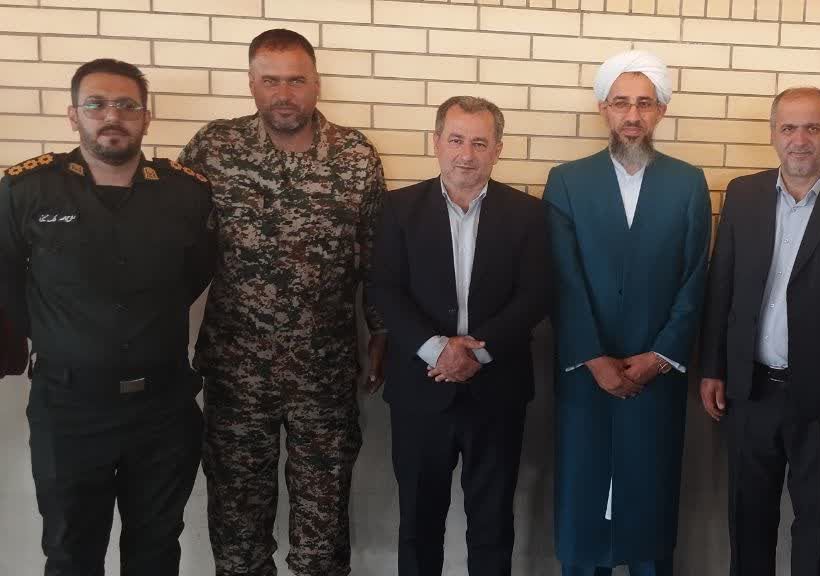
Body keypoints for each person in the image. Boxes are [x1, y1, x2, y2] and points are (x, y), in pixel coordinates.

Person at [177, 29, 387, 576]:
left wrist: (381, 332)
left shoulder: (355, 155)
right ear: (251, 84)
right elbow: (173, 243)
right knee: (238, 521)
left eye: (296, 80)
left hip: (324, 370)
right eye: (270, 81)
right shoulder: (214, 148)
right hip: (236, 369)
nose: (284, 93)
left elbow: (376, 255)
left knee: (323, 526)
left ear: (316, 84)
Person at [0, 58, 214, 575]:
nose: (111, 116)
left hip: (163, 408)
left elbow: (196, 272)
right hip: (69, 407)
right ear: (73, 115)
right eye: (95, 104)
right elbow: (5, 279)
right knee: (71, 552)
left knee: (156, 550)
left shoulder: (186, 192)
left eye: (126, 105)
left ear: (147, 117)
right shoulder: (27, 189)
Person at [698, 86, 820, 576]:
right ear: (773, 134)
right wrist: (713, 367)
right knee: (748, 520)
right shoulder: (743, 194)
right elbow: (721, 285)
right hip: (750, 391)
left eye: (813, 128)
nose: (800, 140)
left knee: (818, 525)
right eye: (789, 128)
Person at [544, 50, 711, 576]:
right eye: (621, 103)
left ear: (661, 110)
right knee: (583, 506)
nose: (632, 115)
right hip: (585, 377)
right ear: (603, 109)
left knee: (649, 504)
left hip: (654, 377)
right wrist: (594, 359)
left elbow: (695, 277)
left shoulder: (688, 182)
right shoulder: (567, 181)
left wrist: (660, 356)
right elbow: (562, 279)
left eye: (644, 103)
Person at [373, 96, 550, 576]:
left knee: (492, 525)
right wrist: (438, 350)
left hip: (497, 391)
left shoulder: (529, 214)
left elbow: (536, 295)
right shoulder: (398, 209)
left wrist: (477, 354)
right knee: (418, 524)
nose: (466, 155)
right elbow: (384, 288)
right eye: (455, 140)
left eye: (479, 143)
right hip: (420, 390)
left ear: (498, 150)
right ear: (436, 142)